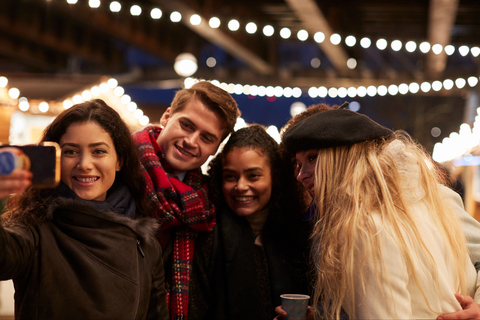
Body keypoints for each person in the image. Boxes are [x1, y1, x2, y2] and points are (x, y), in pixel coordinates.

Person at [280, 106, 480, 319]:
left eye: (312, 158)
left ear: (344, 158)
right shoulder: (354, 220)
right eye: (298, 164)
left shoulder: (427, 200)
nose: (301, 175)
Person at [1, 99, 169, 319]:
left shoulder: (144, 243)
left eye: (98, 151)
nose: (85, 164)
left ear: (120, 161)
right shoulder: (33, 229)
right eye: (70, 152)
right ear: (56, 159)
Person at [131, 80, 241, 319]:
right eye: (186, 125)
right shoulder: (117, 169)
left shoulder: (208, 202)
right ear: (166, 117)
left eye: (206, 138)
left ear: (215, 149)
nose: (191, 141)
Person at [200, 124, 311, 320]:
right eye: (230, 177)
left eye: (254, 176)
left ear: (275, 177)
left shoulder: (298, 233)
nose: (240, 186)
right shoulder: (206, 233)